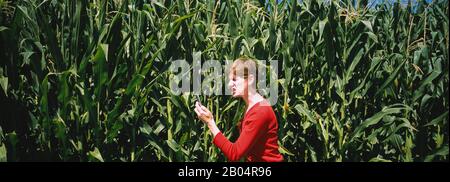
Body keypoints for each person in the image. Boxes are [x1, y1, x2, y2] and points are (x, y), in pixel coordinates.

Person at [194, 57, 283, 162]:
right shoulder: (251, 106)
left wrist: (210, 123)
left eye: (235, 79)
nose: (230, 84)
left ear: (250, 79)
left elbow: (235, 154)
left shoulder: (260, 112)